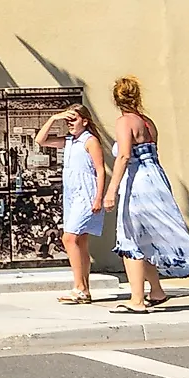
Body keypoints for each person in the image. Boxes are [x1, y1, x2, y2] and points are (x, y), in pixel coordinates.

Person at [100, 75, 189, 312]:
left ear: (116, 100)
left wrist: (111, 190)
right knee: (147, 237)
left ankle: (137, 300)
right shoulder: (148, 123)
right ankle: (157, 290)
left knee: (130, 239)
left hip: (137, 182)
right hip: (156, 178)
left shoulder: (124, 122)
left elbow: (123, 156)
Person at [34, 103, 109, 305]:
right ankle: (84, 288)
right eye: (68, 120)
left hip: (87, 192)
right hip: (72, 194)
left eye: (73, 119)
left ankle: (80, 287)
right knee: (80, 241)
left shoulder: (90, 141)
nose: (70, 124)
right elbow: (40, 140)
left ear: (84, 121)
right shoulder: (69, 141)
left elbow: (100, 170)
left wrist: (98, 197)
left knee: (69, 238)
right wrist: (54, 118)